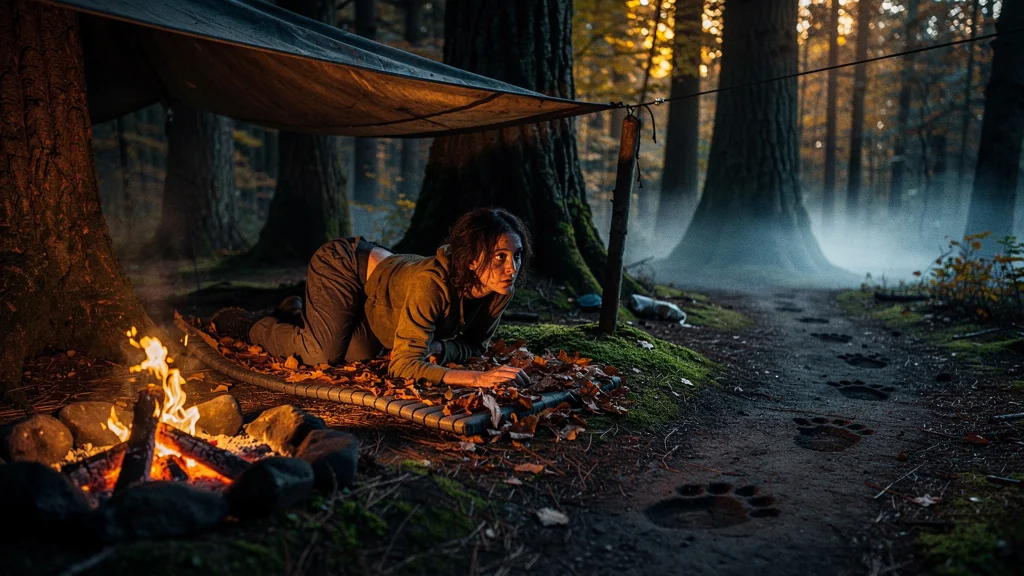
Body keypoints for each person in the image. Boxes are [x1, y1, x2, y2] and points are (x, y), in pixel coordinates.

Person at [212, 207, 532, 389]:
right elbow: (403, 365)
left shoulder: (498, 288)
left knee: (358, 353)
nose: (511, 268)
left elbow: (474, 345)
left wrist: (440, 348)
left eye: (516, 256)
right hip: (344, 265)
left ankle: (297, 313)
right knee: (319, 353)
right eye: (500, 256)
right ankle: (246, 324)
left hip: (379, 302)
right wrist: (475, 378)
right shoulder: (431, 283)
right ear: (472, 259)